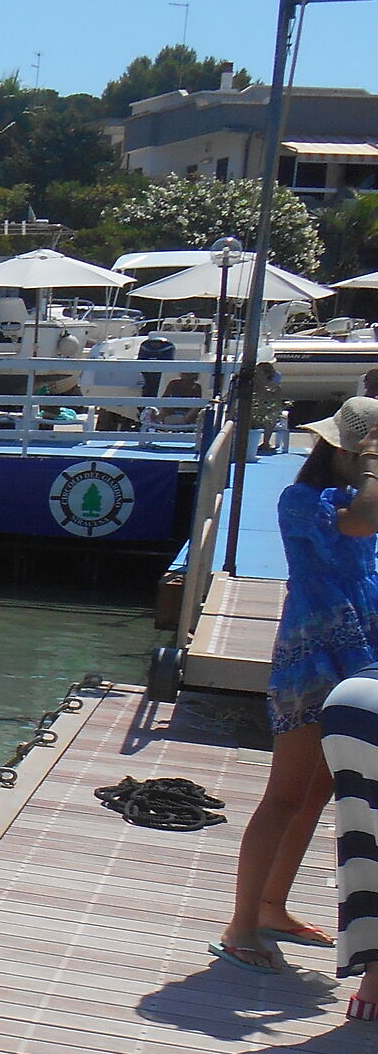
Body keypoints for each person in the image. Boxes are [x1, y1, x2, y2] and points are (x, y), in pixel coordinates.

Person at [218, 397, 378, 973]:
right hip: (312, 656)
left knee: (318, 790)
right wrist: (374, 465)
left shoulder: (353, 496)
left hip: (358, 647)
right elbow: (362, 523)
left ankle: (272, 907)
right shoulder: (303, 500)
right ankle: (240, 925)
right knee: (284, 794)